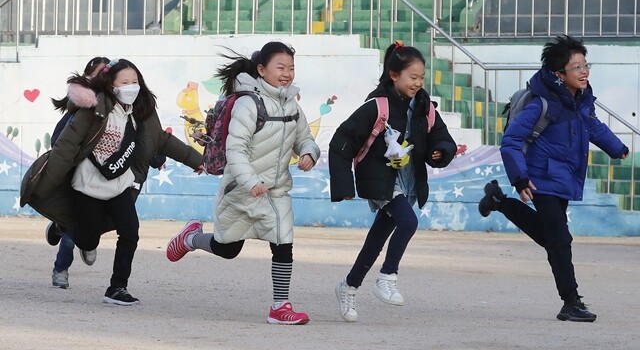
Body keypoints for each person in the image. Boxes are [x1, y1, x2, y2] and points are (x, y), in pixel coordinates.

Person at [166, 41, 320, 325]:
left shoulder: (292, 104)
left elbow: (304, 137)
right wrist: (250, 181)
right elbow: (235, 149)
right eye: (280, 67)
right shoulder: (249, 104)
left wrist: (310, 152)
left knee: (283, 242)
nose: (286, 73)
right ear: (262, 70)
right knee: (228, 249)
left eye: (291, 68)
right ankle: (190, 238)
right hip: (241, 189)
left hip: (276, 191)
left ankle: (280, 306)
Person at [478, 34, 629, 322]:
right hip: (540, 178)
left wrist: (616, 148)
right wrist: (520, 179)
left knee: (552, 236)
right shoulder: (541, 104)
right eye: (577, 67)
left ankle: (498, 201)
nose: (584, 72)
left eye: (586, 65)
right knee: (559, 239)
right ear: (559, 74)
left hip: (563, 179)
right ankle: (571, 302)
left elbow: (593, 127)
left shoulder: (581, 100)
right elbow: (511, 141)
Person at [31, 58, 203, 305]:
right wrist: (46, 184)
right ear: (111, 85)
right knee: (88, 240)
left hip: (120, 184)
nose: (131, 87)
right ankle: (64, 227)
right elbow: (65, 146)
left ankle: (117, 288)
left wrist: (195, 159)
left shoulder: (141, 111)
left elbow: (162, 141)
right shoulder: (92, 110)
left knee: (130, 232)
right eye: (125, 82)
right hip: (88, 185)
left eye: (135, 81)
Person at [328, 41, 457, 322]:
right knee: (408, 222)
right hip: (381, 179)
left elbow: (442, 137)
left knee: (377, 238)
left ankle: (348, 286)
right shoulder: (377, 106)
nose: (418, 82)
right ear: (394, 75)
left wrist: (441, 151)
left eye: (422, 77)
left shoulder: (425, 107)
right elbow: (342, 141)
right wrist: (343, 186)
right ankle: (387, 276)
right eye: (413, 77)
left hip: (409, 181)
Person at [46, 56, 110, 289]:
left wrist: (156, 156)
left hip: (106, 175)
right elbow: (57, 140)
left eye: (108, 72)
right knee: (74, 227)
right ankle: (61, 269)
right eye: (99, 73)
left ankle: (68, 229)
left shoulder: (118, 106)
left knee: (102, 217)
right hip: (78, 176)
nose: (105, 77)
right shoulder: (80, 108)